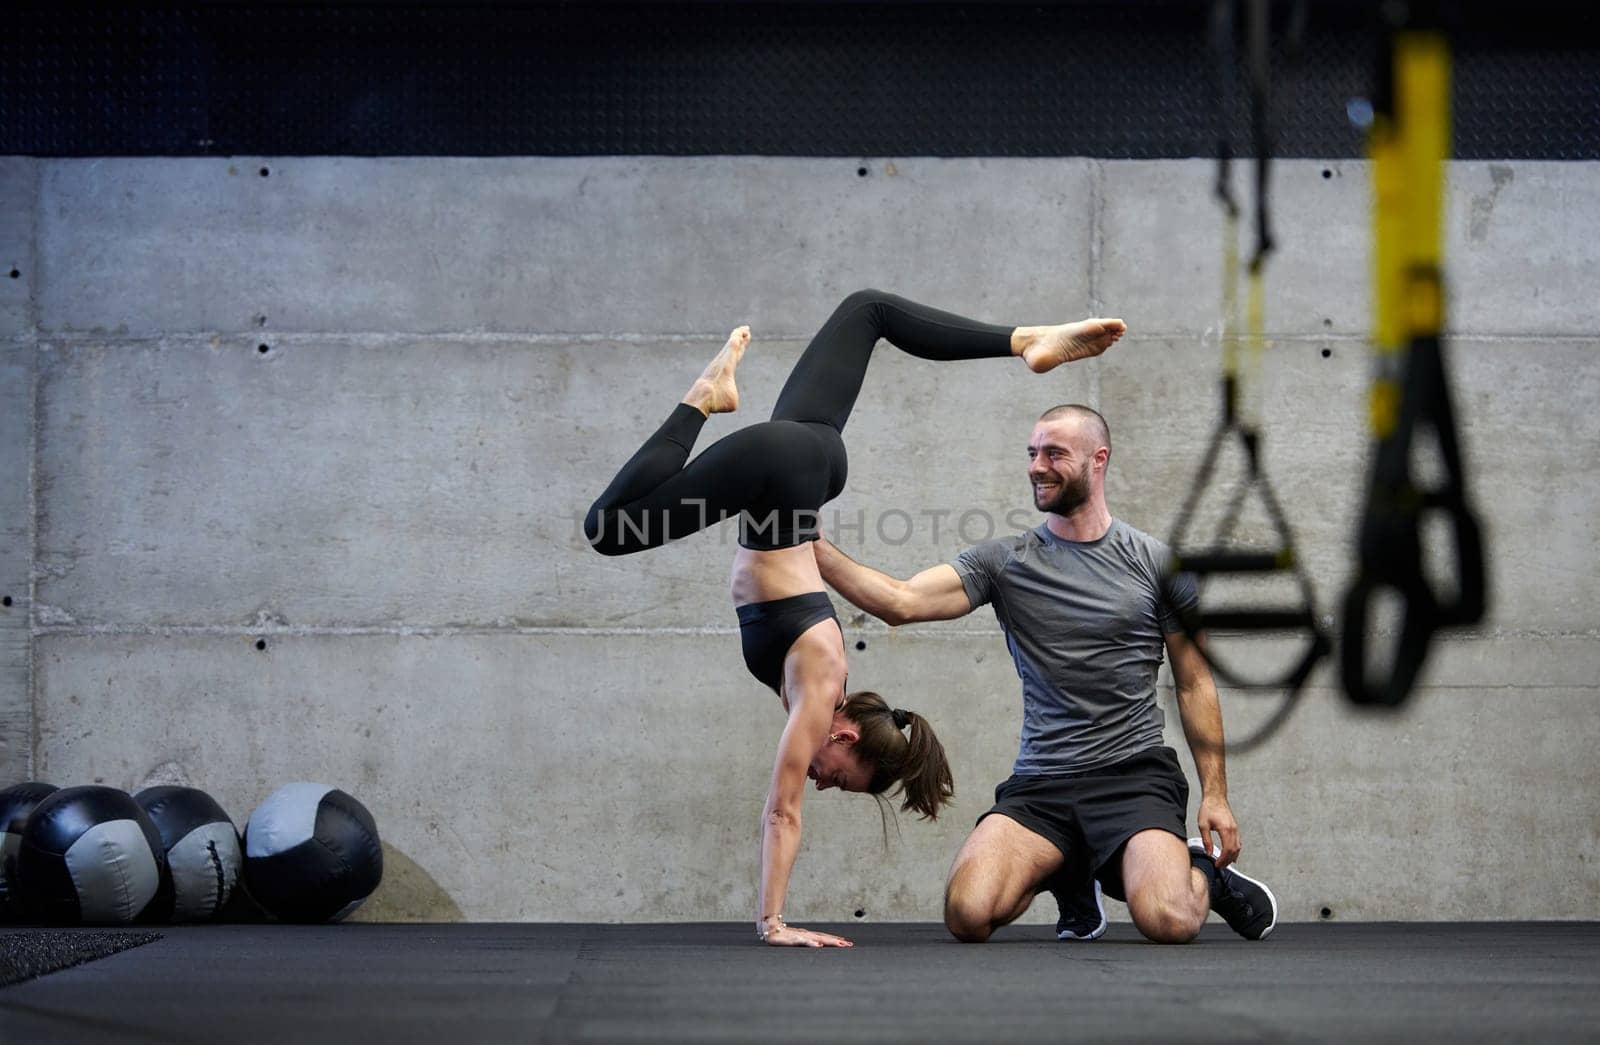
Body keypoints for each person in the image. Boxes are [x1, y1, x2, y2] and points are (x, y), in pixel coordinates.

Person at [584, 290, 1126, 947]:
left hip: (810, 462)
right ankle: (704, 395)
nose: (823, 779)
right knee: (609, 529)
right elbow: (783, 812)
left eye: (832, 786)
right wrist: (773, 922)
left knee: (868, 310)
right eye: (840, 776)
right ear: (843, 734)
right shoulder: (819, 684)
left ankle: (1026, 342)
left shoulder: (816, 681)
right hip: (782, 467)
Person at [813, 402, 1280, 944]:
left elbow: (1196, 683)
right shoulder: (1005, 562)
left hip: (1132, 777)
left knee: (1168, 921)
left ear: (1098, 460)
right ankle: (1069, 871)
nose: (1037, 465)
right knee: (967, 914)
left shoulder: (1157, 564)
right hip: (1043, 783)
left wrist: (1215, 795)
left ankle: (1202, 873)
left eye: (1055, 453)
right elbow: (900, 601)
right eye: (1033, 453)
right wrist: (811, 542)